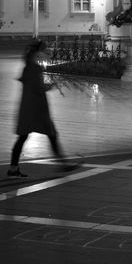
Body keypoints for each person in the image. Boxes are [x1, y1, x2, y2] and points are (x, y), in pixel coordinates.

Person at [8, 39, 81, 177]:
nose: (46, 53)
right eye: (44, 51)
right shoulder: (33, 68)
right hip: (36, 109)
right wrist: (52, 85)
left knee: (24, 137)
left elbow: (33, 85)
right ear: (37, 53)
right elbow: (38, 88)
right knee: (51, 136)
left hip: (29, 108)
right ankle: (64, 165)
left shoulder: (29, 66)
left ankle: (13, 168)